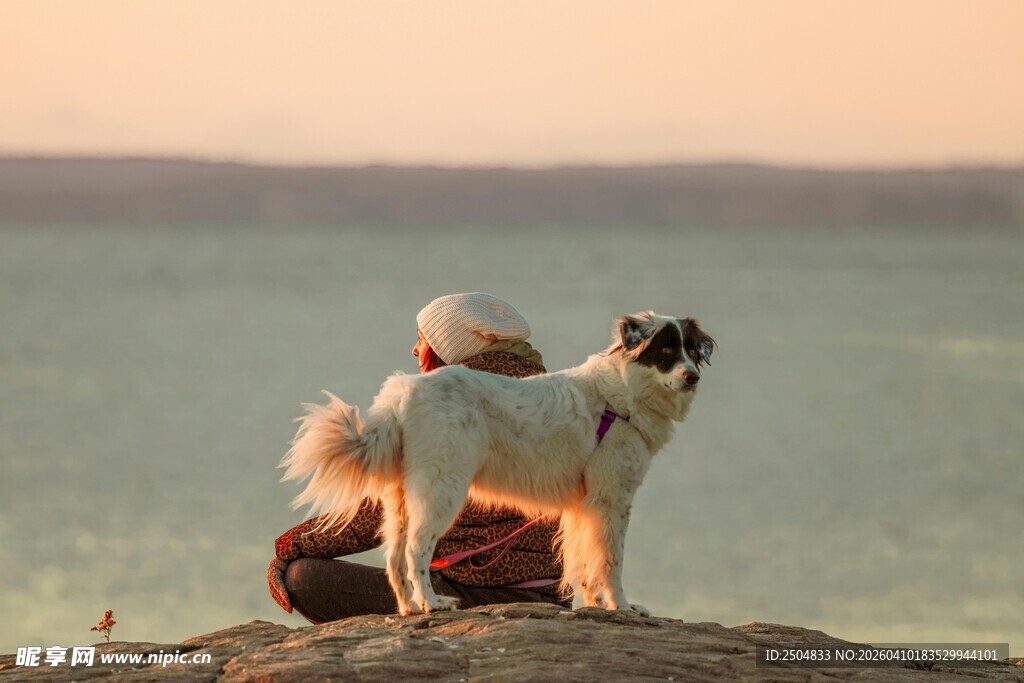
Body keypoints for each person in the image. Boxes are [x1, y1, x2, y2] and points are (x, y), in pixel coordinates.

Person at [268, 292, 569, 623]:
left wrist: (291, 545)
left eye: (422, 339)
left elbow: (386, 512)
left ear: (449, 347)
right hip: (552, 595)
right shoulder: (546, 394)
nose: (414, 349)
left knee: (302, 578)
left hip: (478, 594)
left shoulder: (449, 404)